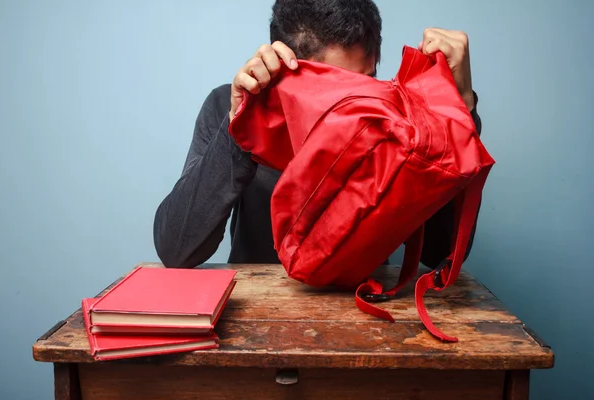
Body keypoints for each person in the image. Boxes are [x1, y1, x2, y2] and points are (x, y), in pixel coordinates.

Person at [153, 0, 482, 270]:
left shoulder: (395, 116)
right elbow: (176, 250)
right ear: (285, 67)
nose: (355, 110)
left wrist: (460, 114)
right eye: (335, 90)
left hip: (365, 314)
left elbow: (441, 253)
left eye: (365, 83)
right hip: (254, 320)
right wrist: (239, 128)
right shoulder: (228, 105)